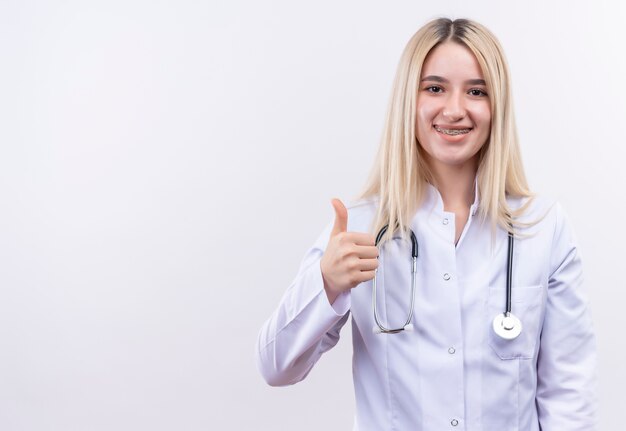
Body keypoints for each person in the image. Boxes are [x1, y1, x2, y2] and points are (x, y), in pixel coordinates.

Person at [256, 17, 597, 430]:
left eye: (476, 91)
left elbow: (569, 400)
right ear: (408, 101)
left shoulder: (543, 227)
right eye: (434, 88)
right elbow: (276, 367)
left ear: (497, 106)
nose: (454, 109)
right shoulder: (361, 227)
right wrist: (326, 284)